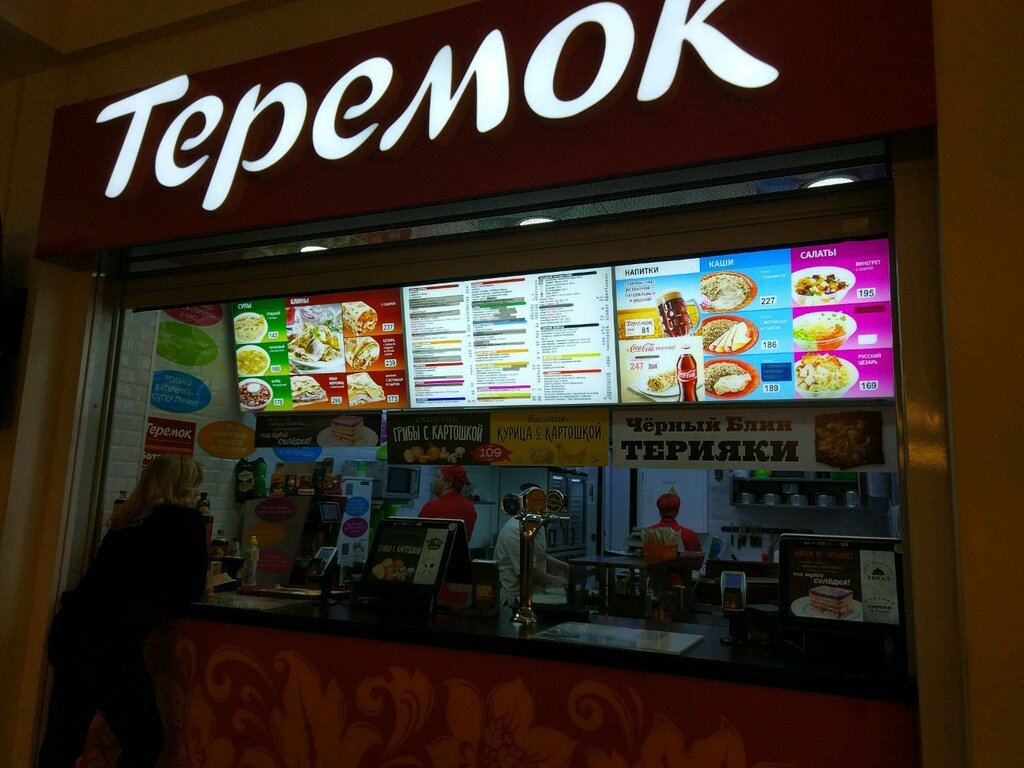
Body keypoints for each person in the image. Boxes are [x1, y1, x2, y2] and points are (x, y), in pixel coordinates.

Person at [37, 454, 209, 768]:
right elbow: (192, 587)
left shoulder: (127, 519)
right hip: (111, 643)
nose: (195, 493)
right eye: (193, 486)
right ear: (182, 486)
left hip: (72, 630)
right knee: (145, 741)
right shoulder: (187, 521)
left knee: (63, 740)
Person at [493, 512, 569, 606]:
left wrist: (563, 566)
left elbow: (538, 554)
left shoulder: (538, 524)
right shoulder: (515, 530)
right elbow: (530, 573)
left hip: (535, 595)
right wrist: (564, 583)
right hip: (514, 599)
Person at [646, 491, 703, 588]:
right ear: (677, 511)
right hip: (679, 586)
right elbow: (697, 564)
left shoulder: (649, 532)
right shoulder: (688, 534)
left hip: (653, 585)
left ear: (659, 510)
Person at [417, 464, 478, 540]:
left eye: (438, 477)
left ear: (448, 484)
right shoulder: (470, 507)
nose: (434, 480)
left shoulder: (433, 506)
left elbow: (418, 536)